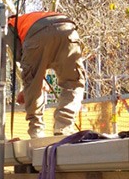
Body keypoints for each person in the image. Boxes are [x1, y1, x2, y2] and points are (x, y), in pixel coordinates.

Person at [7, 10, 86, 139]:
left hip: (37, 35)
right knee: (74, 82)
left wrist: (31, 84)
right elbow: (51, 39)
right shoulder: (31, 17)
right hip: (67, 29)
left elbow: (20, 55)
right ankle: (63, 126)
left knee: (33, 84)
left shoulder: (10, 24)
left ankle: (36, 129)